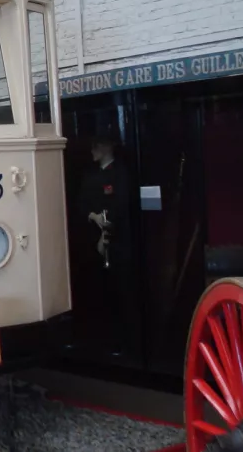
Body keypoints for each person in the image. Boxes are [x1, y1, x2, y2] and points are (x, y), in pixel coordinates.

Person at [77, 131, 134, 357]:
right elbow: (80, 204)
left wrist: (106, 234)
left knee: (120, 293)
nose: (92, 151)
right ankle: (98, 338)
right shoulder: (90, 176)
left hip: (116, 244)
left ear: (107, 147)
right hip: (92, 240)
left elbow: (120, 208)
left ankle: (122, 341)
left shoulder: (120, 174)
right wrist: (93, 216)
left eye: (96, 146)